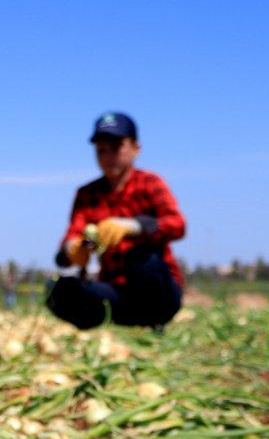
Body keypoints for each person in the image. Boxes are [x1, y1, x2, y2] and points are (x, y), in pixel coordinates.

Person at [47, 112, 186, 330]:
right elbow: (70, 240)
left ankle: (153, 320)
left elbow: (177, 224)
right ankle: (116, 322)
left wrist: (135, 226)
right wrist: (73, 249)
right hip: (115, 290)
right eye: (101, 150)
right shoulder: (87, 194)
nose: (108, 156)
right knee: (61, 290)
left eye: (116, 147)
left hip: (156, 290)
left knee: (144, 262)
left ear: (135, 148)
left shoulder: (150, 183)